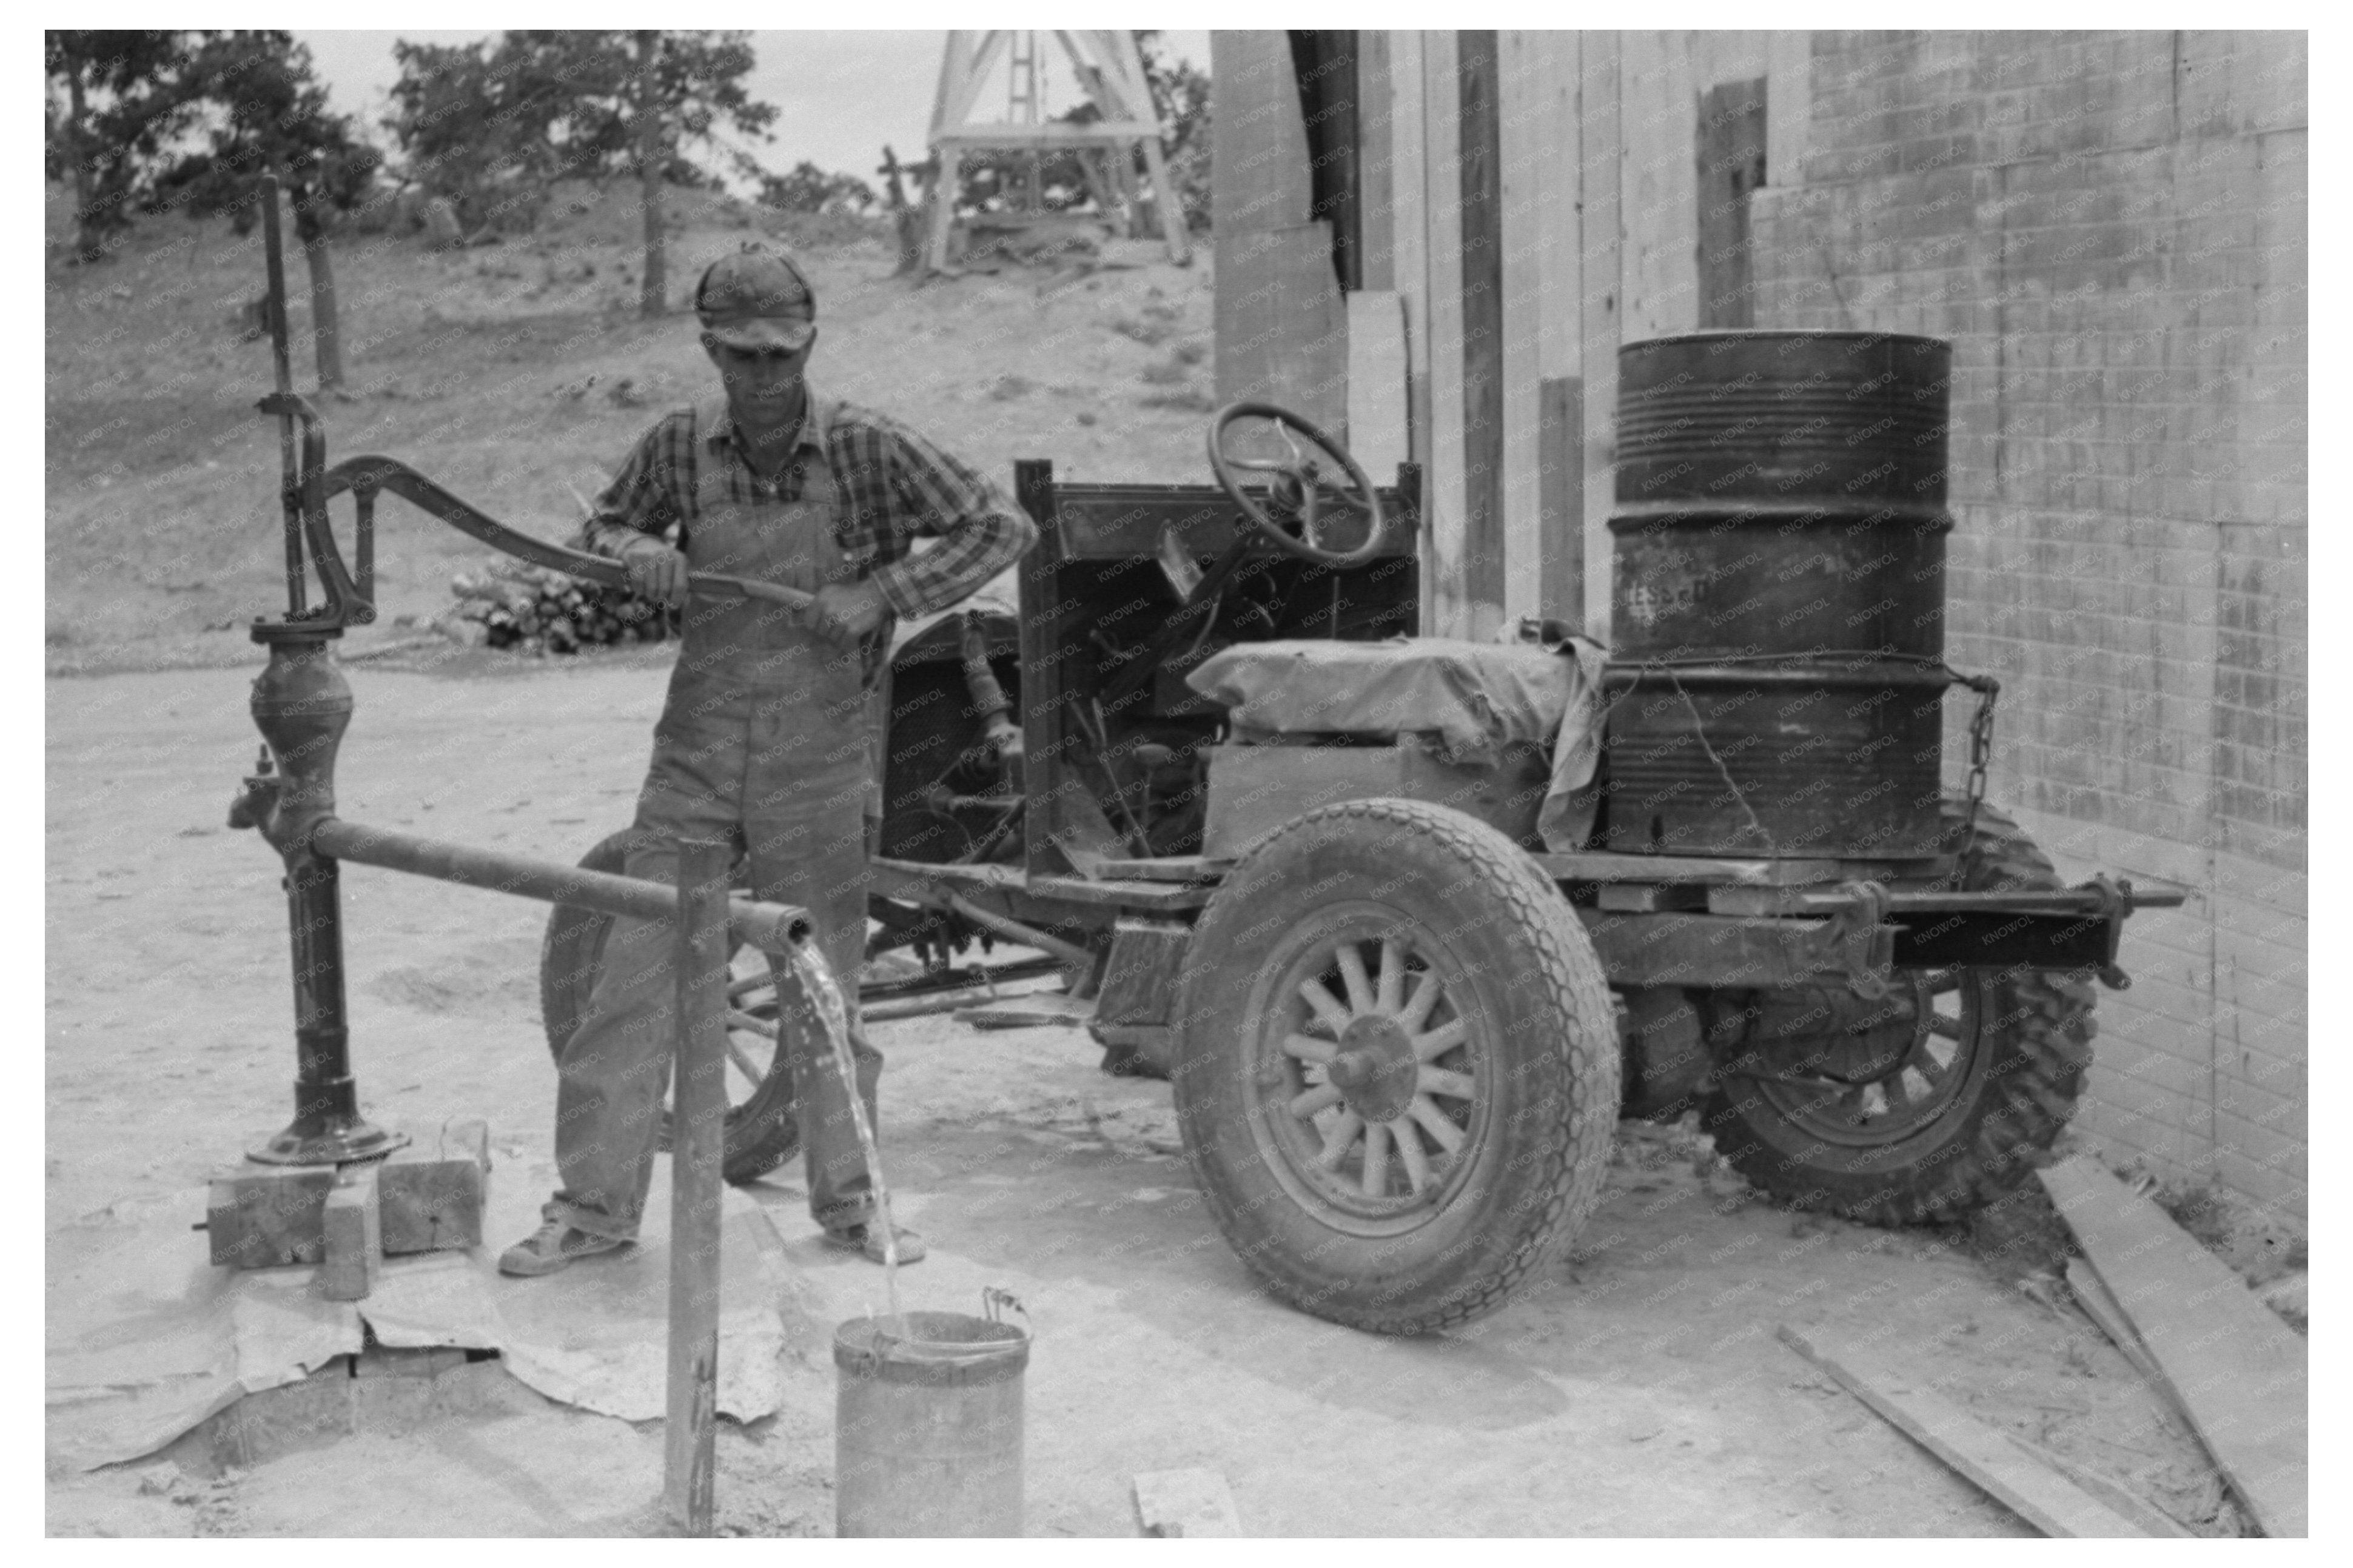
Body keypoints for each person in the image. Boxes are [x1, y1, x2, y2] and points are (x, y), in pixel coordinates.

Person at [501, 249, 1036, 1276]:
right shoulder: (676, 447)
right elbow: (603, 524)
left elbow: (1000, 524)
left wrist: (886, 595)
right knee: (632, 980)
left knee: (823, 986)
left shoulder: (870, 448)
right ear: (709, 349)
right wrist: (634, 550)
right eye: (742, 355)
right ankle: (593, 1211)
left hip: (819, 748)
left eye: (781, 354)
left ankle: (854, 1205)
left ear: (811, 343)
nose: (764, 376)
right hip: (696, 748)